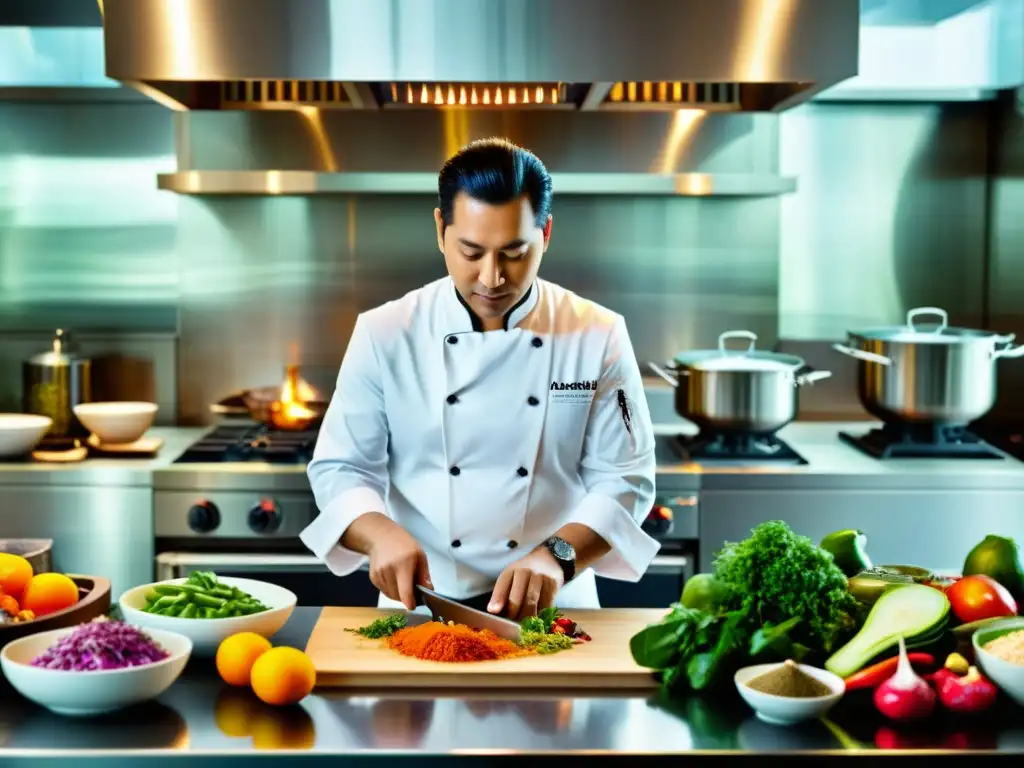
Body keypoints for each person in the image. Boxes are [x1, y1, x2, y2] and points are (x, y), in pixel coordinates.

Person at [300, 137, 657, 618]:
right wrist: (379, 532)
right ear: (440, 230)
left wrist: (558, 558)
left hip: (552, 610)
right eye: (471, 252)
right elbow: (341, 468)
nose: (492, 278)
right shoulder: (385, 331)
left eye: (514, 252)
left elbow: (624, 479)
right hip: (418, 605)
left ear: (546, 233)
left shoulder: (597, 333)